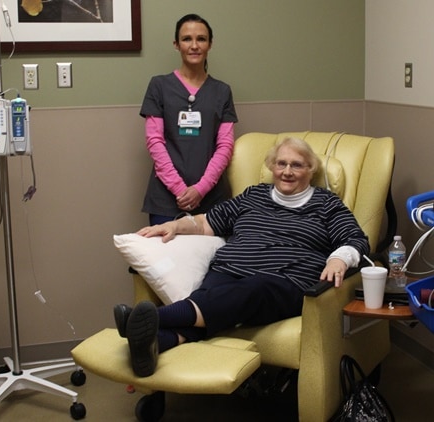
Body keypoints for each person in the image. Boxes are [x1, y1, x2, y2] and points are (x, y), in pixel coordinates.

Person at [114, 137, 371, 377]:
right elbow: (207, 223)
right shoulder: (253, 195)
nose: (287, 171)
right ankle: (153, 343)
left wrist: (339, 259)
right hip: (228, 271)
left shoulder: (326, 204)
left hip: (283, 283)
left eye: (297, 165)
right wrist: (175, 226)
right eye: (281, 163)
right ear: (271, 166)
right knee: (216, 299)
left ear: (311, 170)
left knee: (252, 287)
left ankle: (148, 318)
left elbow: (355, 239)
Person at [140, 13, 238, 225]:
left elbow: (225, 145)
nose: (194, 45)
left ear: (210, 44)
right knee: (166, 257)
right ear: (176, 44)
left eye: (201, 39)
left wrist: (200, 189)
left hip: (211, 198)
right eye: (187, 39)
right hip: (166, 199)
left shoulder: (222, 91)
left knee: (212, 258)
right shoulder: (159, 86)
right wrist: (180, 189)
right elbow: (154, 142)